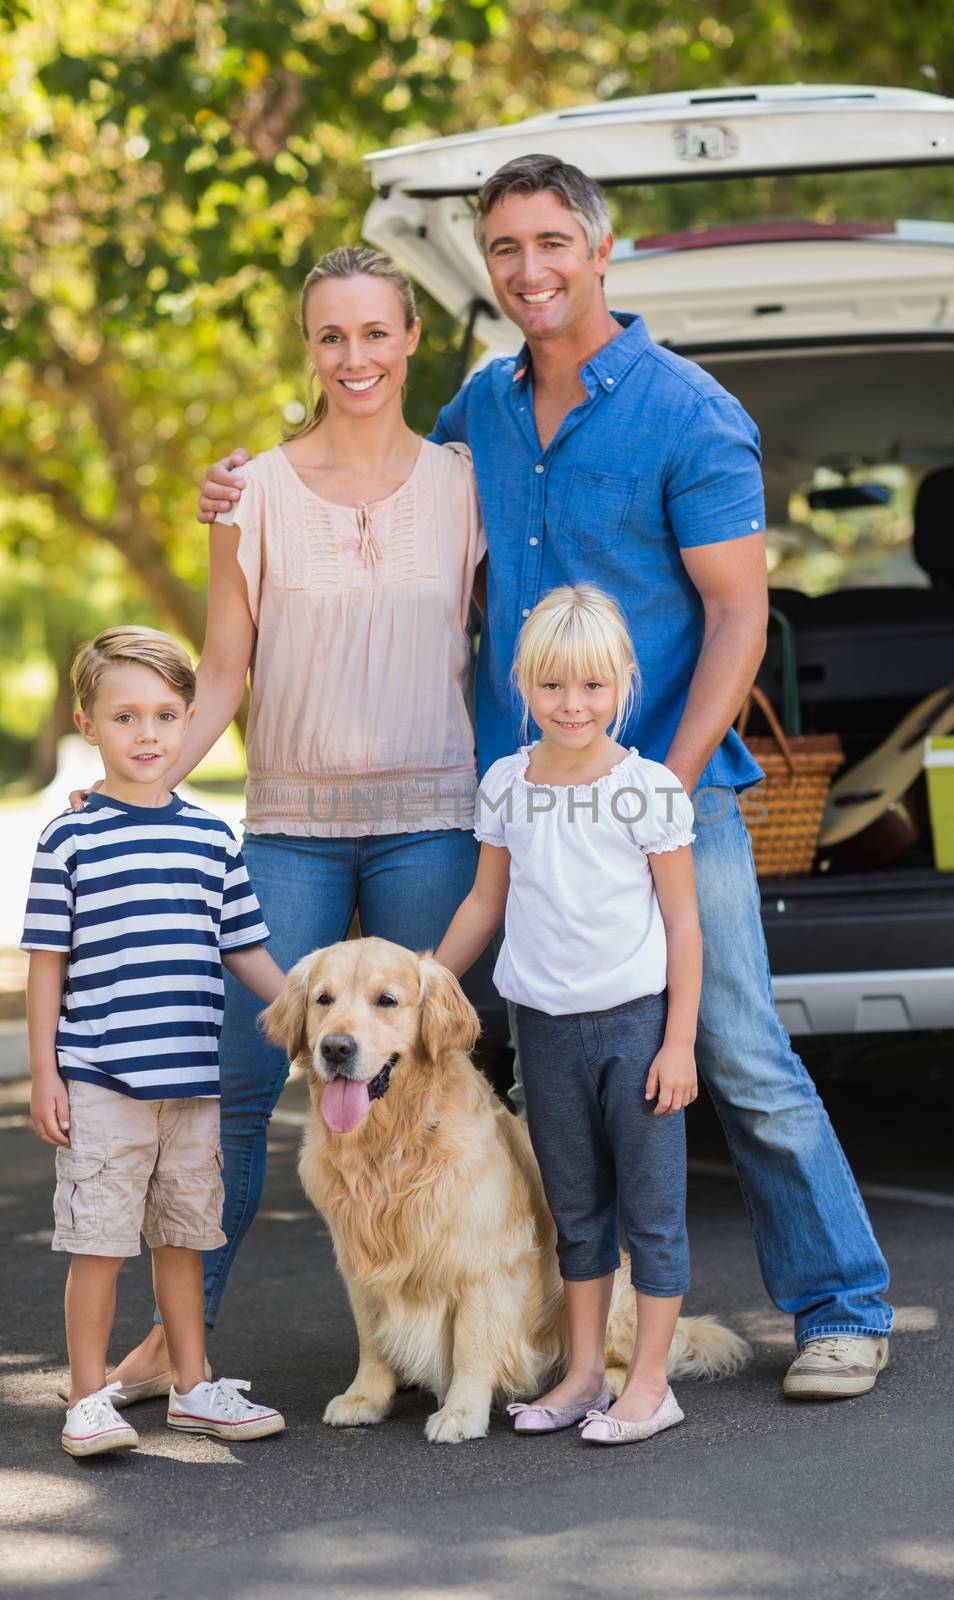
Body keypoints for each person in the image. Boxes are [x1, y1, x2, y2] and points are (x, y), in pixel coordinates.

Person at [198, 157, 893, 1399]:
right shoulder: (482, 409)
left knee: (730, 1046)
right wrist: (250, 487)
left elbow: (740, 615)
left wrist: (662, 788)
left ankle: (842, 1303)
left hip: (663, 797)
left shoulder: (688, 413)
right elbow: (380, 479)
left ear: (599, 250)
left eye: (550, 244)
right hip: (512, 800)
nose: (528, 269)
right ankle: (548, 1334)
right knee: (521, 1063)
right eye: (506, 248)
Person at [73, 246, 486, 1402]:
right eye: (329, 336)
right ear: (307, 349)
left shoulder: (463, 481)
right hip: (289, 828)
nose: (354, 357)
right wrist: (142, 783)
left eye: (374, 333)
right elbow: (221, 667)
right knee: (230, 1094)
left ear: (411, 341)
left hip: (431, 824)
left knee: (437, 1084)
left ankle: (459, 1334)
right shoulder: (248, 491)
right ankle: (176, 1343)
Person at [435, 585, 700, 1444]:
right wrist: (429, 982)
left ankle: (649, 1383)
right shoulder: (507, 783)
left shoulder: (648, 790)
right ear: (519, 681)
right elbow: (484, 902)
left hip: (635, 1031)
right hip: (543, 1032)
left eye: (591, 686)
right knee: (575, 1213)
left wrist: (679, 1041)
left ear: (625, 680)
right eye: (551, 686)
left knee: (651, 1212)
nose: (572, 705)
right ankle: (586, 1373)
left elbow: (682, 923)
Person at [24, 627, 286, 1457]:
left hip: (191, 1084)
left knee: (185, 1237)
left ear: (188, 721)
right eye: (125, 716)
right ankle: (88, 1396)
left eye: (166, 715)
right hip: (101, 1079)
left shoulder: (212, 839)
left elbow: (244, 948)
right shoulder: (67, 839)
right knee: (99, 1244)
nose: (147, 734)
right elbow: (46, 966)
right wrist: (44, 1074)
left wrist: (311, 1017)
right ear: (87, 724)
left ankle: (192, 1386)